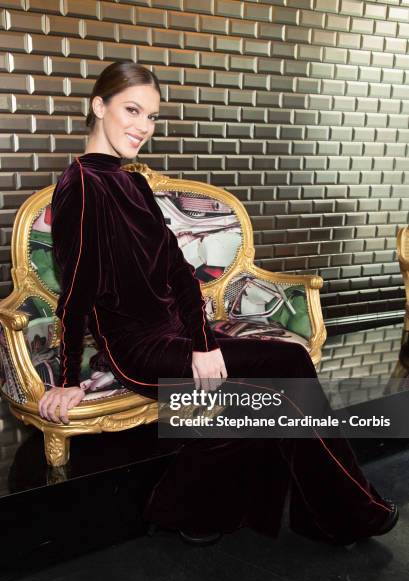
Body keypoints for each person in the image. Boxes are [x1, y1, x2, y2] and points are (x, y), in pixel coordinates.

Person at [38, 60, 398, 547]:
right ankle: (348, 511)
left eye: (152, 117)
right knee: (287, 366)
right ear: (98, 106)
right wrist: (66, 380)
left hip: (180, 335)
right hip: (137, 350)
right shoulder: (80, 186)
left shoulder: (134, 183)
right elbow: (76, 291)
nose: (143, 127)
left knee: (272, 395)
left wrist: (204, 340)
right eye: (132, 110)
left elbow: (181, 275)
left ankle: (192, 508)